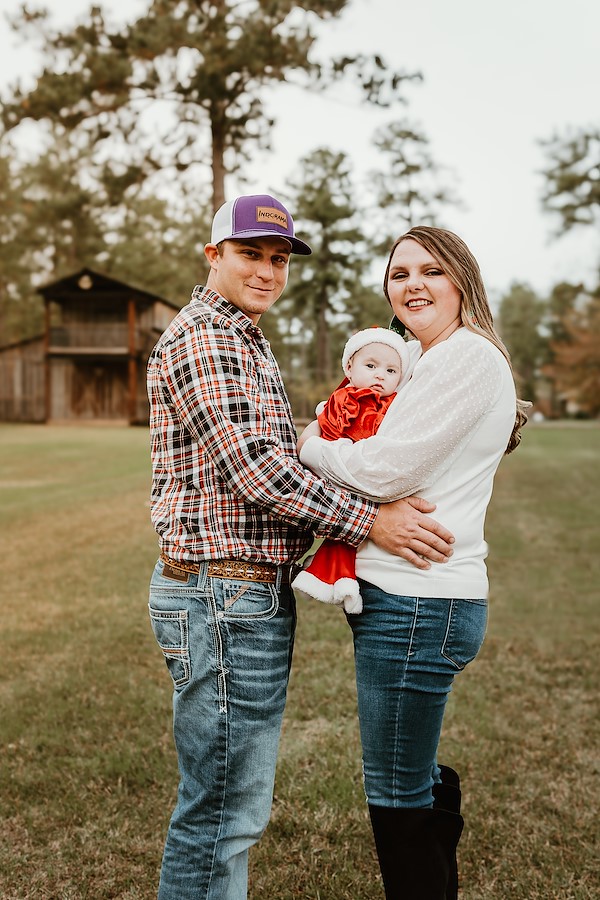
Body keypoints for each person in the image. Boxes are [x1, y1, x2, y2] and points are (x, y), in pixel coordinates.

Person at [146, 195, 456, 900]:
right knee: (222, 814)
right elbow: (257, 468)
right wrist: (369, 521)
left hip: (237, 593)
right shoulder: (206, 338)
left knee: (228, 808)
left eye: (279, 258)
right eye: (251, 253)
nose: (267, 270)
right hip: (222, 594)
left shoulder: (242, 335)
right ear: (213, 254)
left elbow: (285, 455)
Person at [298, 225, 529, 899]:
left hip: (418, 604)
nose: (414, 284)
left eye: (431, 270)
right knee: (413, 780)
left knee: (394, 798)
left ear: (462, 279)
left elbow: (383, 468)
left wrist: (314, 443)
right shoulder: (431, 362)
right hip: (409, 601)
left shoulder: (465, 358)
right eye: (400, 275)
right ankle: (440, 848)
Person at [292, 326, 410, 613]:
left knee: (349, 540)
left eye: (391, 371)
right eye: (371, 366)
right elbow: (324, 430)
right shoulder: (341, 400)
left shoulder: (396, 407)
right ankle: (332, 576)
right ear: (349, 367)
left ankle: (334, 577)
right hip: (338, 473)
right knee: (344, 532)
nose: (380, 375)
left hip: (370, 475)